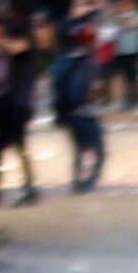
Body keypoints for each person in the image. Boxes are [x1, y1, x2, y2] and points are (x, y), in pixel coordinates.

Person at [0, 15, 44, 205]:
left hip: (18, 102)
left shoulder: (23, 44)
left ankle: (29, 187)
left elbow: (14, 48)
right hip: (2, 103)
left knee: (19, 145)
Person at [49, 16, 108, 193]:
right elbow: (83, 91)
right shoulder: (87, 63)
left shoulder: (62, 61)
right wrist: (94, 92)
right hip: (84, 113)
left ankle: (76, 182)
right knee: (99, 152)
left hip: (68, 113)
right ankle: (88, 183)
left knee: (79, 150)